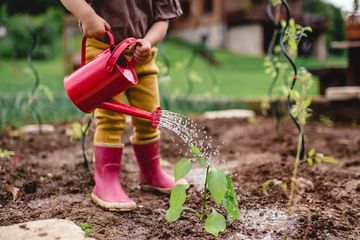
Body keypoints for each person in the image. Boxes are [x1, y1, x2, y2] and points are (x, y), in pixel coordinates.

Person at [60, 0, 187, 212]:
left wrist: (148, 41)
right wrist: (87, 15)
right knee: (111, 120)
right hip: (104, 53)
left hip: (142, 57)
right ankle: (106, 181)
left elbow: (162, 19)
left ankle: (151, 172)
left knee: (150, 116)